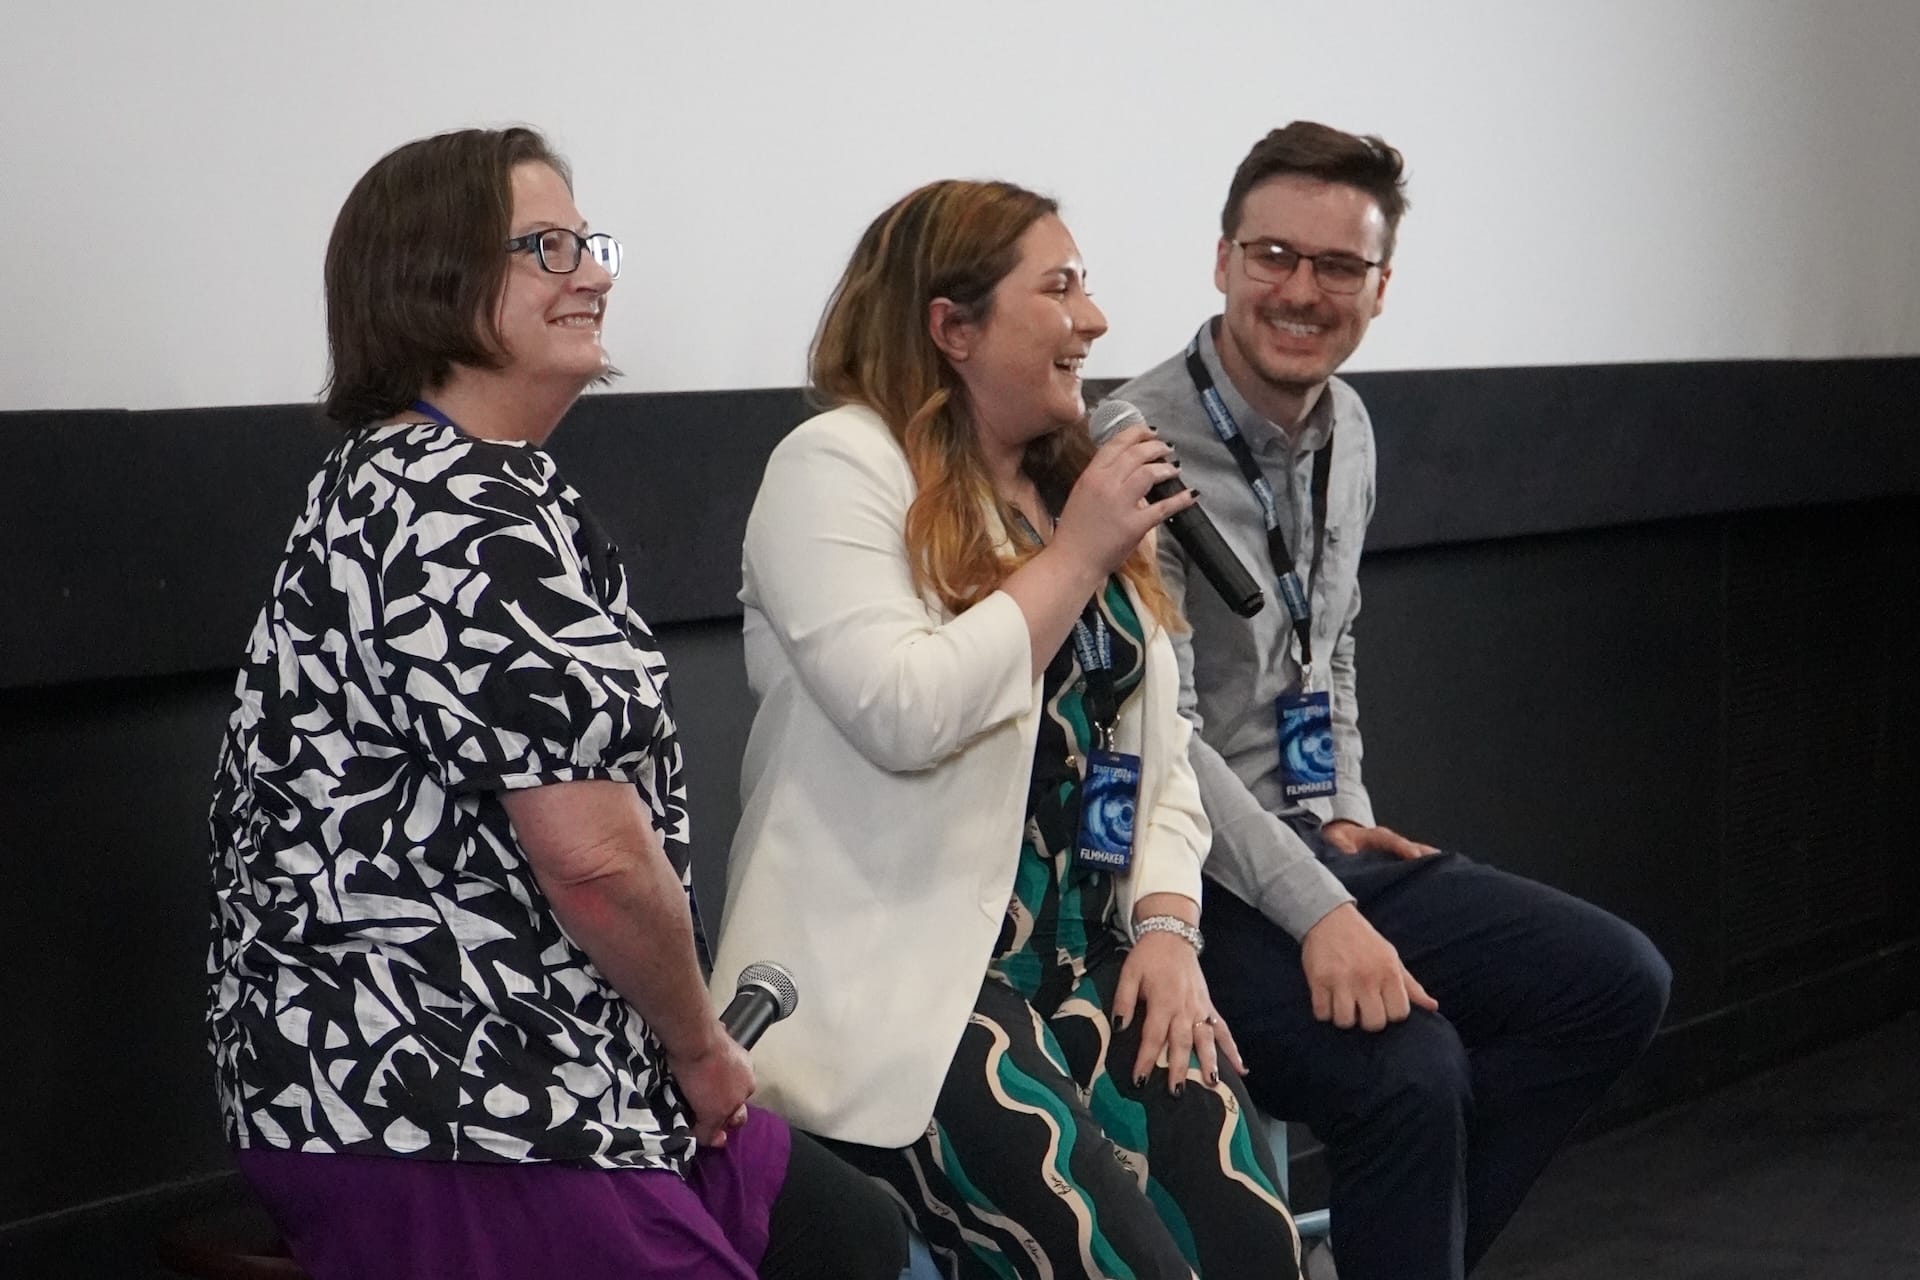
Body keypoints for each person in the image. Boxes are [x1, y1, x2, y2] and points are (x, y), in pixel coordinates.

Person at [205, 126, 905, 1280]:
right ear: (434, 277)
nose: (594, 273)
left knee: (845, 1232)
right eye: (548, 247)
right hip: (445, 1097)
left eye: (588, 243)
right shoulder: (461, 504)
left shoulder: (421, 473)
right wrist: (699, 1043)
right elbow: (591, 858)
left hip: (504, 1075)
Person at [710, 179, 1302, 1280]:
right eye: (1061, 286)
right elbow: (906, 709)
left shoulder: (1063, 483)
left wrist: (1171, 924)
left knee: (1255, 1248)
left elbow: (1159, 745)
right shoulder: (839, 467)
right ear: (953, 326)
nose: (1097, 319)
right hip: (914, 987)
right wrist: (1074, 557)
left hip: (1093, 961)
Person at [1114, 121, 1673, 1280]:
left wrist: (1347, 804)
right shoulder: (1129, 446)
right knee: (1415, 1074)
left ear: (1380, 286)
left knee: (1616, 982)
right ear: (1221, 259)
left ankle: (1385, 1253)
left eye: (1338, 267)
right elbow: (1155, 729)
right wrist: (1323, 909)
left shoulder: (1347, 427)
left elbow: (1334, 640)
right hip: (1186, 875)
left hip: (1324, 843)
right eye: (1275, 255)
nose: (1302, 291)